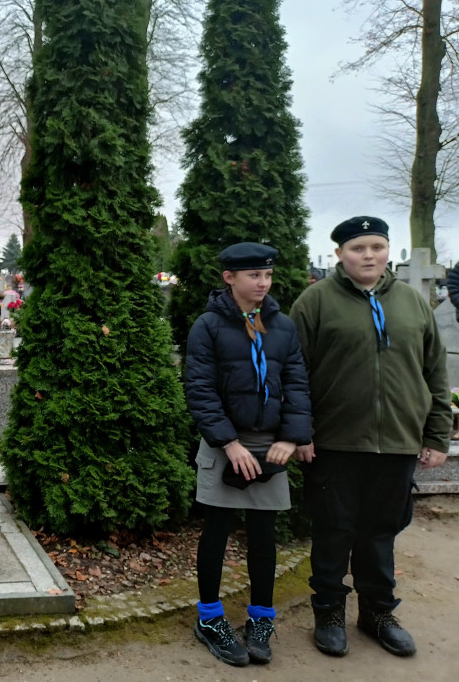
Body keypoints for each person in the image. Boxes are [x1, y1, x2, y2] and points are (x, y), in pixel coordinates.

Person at [289, 216, 451, 658]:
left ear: (387, 252)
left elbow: (435, 370)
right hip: (334, 443)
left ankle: (378, 612)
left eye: (377, 247)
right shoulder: (315, 302)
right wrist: (299, 432)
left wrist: (437, 434)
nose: (368, 256)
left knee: (380, 534)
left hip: (397, 443)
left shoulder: (412, 304)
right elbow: (294, 373)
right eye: (358, 248)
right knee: (332, 533)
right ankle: (329, 612)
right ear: (340, 253)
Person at [183, 242, 312, 667]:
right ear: (229, 278)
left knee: (263, 536)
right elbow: (199, 390)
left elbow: (296, 385)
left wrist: (292, 439)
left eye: (268, 275)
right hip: (226, 445)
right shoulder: (208, 325)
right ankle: (209, 618)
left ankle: (261, 617)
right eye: (254, 275)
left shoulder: (282, 326)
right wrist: (229, 443)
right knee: (216, 533)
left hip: (270, 446)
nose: (263, 283)